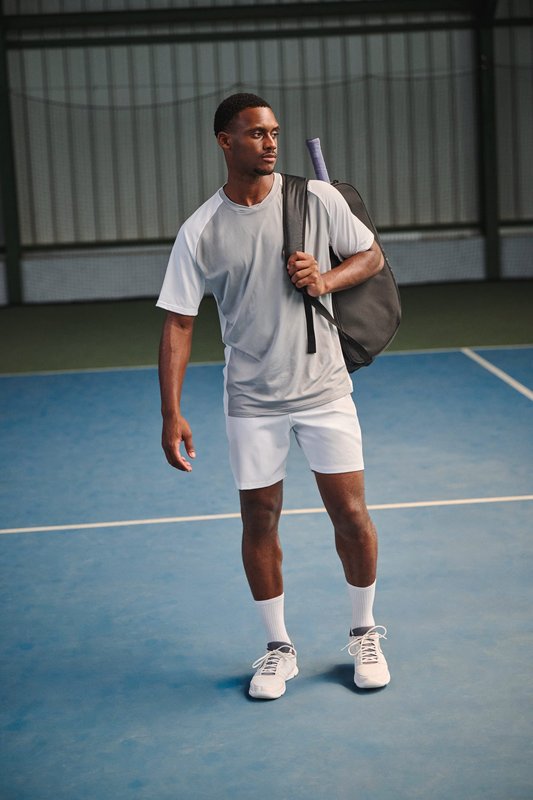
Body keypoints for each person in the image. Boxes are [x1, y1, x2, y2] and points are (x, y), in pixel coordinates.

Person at [157, 92, 390, 700]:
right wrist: (171, 412)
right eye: (256, 133)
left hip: (324, 388)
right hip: (252, 399)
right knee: (259, 519)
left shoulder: (317, 198)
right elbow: (178, 322)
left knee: (351, 515)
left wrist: (326, 278)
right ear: (224, 141)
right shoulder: (200, 230)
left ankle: (364, 631)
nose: (270, 143)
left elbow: (371, 255)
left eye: (274, 133)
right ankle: (278, 647)